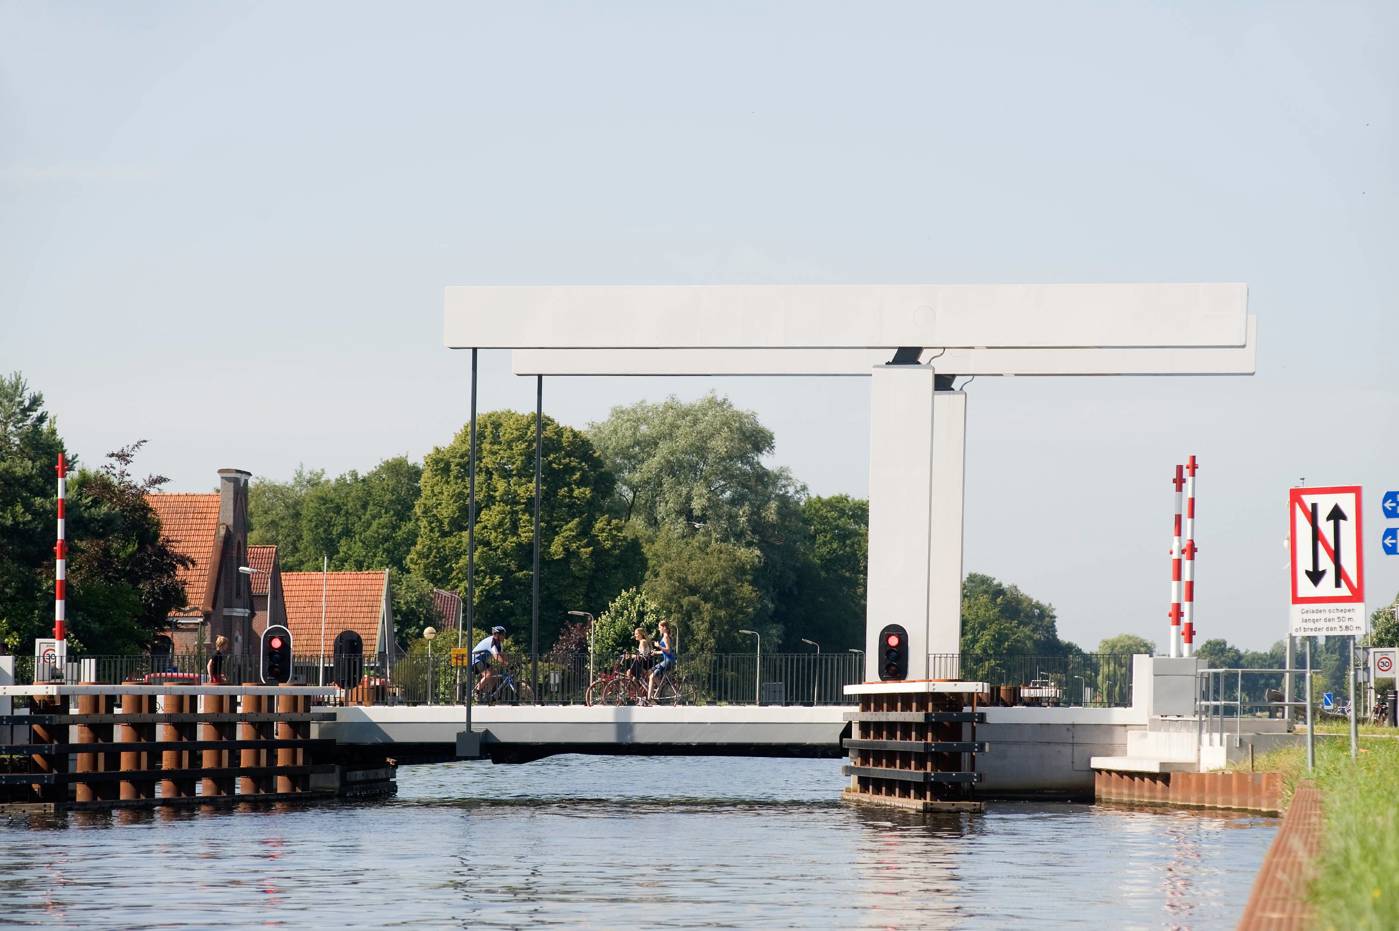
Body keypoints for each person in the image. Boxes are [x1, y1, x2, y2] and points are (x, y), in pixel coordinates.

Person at [471, 626, 507, 697]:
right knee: (488, 674)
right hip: (474, 660)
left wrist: (509, 663)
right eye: (503, 634)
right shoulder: (492, 642)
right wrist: (506, 664)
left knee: (495, 673)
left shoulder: (498, 643)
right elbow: (496, 656)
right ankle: (476, 692)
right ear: (497, 635)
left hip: (481, 660)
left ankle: (489, 695)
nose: (504, 636)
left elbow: (502, 654)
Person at [647, 619, 676, 701]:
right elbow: (665, 652)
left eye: (660, 627)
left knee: (652, 677)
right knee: (650, 672)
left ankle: (649, 699)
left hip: (669, 661)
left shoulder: (666, 636)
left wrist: (658, 646)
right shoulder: (664, 636)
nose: (659, 629)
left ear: (664, 627)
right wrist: (656, 652)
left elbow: (668, 650)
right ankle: (661, 689)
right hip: (667, 660)